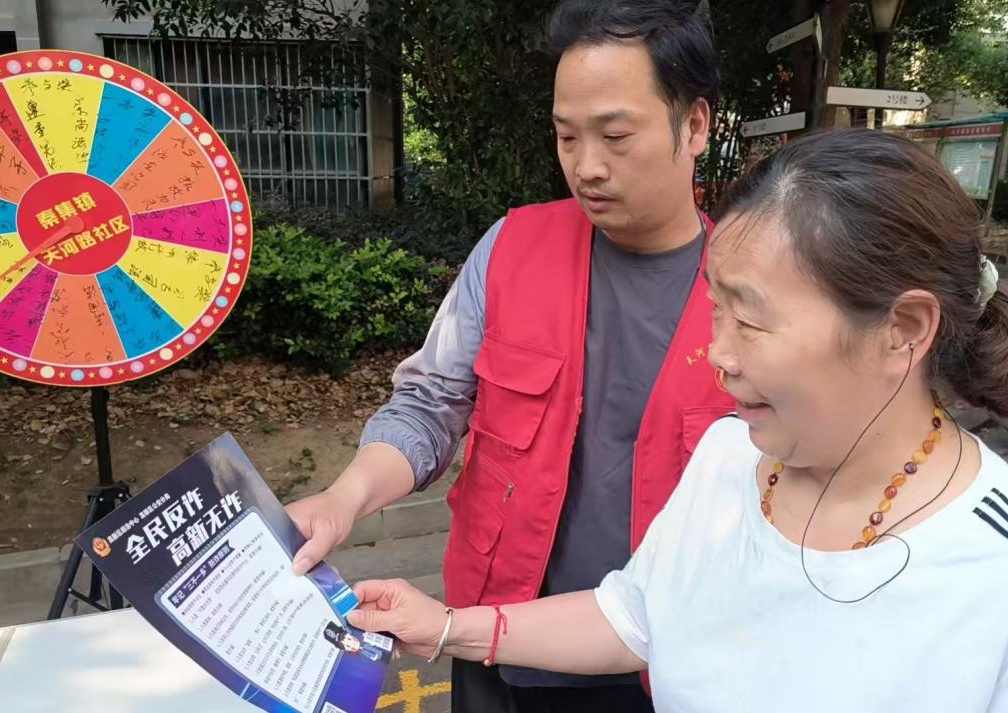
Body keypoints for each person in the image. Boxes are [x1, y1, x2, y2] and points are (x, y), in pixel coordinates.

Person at [339, 130, 1008, 712]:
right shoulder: (729, 456)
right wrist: (443, 625)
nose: (717, 354)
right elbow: (634, 615)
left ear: (902, 329)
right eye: (713, 308)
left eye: (749, 320)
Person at [286, 1, 732, 710]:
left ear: (696, 124)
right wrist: (345, 498)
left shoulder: (750, 286)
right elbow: (430, 404)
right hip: (491, 640)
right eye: (566, 136)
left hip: (673, 662)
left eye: (616, 135)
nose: (587, 167)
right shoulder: (511, 248)